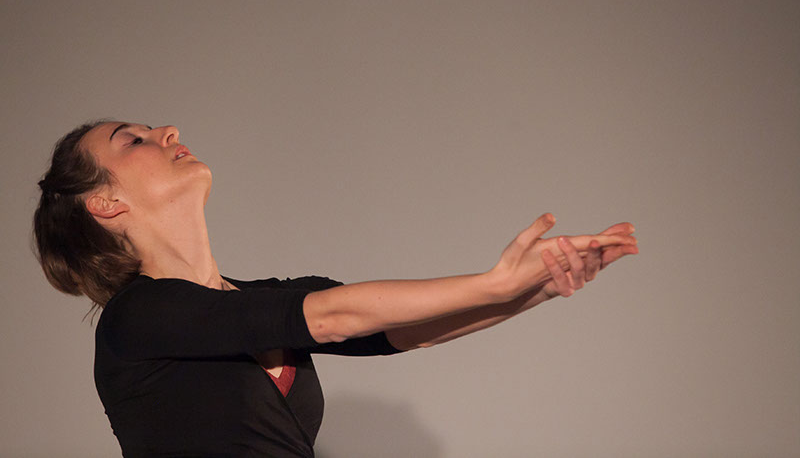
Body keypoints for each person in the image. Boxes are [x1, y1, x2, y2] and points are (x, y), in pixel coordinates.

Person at [32, 119, 638, 457]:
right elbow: (329, 318)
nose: (167, 130)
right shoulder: (137, 318)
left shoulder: (259, 298)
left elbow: (403, 331)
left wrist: (534, 288)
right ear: (104, 202)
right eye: (133, 140)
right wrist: (495, 281)